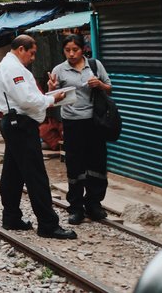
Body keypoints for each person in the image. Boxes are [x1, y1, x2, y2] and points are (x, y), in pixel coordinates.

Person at [0, 35, 76, 240]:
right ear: (21, 49)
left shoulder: (11, 66)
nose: (33, 58)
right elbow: (26, 99)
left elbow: (27, 96)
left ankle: (11, 216)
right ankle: (48, 224)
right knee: (36, 175)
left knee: (12, 174)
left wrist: (48, 94)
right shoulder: (13, 68)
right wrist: (51, 99)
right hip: (20, 124)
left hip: (15, 123)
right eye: (31, 53)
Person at [48, 33, 113, 225]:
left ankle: (94, 204)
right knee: (75, 165)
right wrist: (52, 86)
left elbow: (109, 87)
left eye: (74, 50)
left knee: (97, 162)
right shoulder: (59, 69)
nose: (71, 54)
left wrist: (99, 84)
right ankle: (76, 207)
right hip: (72, 122)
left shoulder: (94, 65)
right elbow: (53, 96)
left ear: (82, 49)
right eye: (67, 50)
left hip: (94, 121)